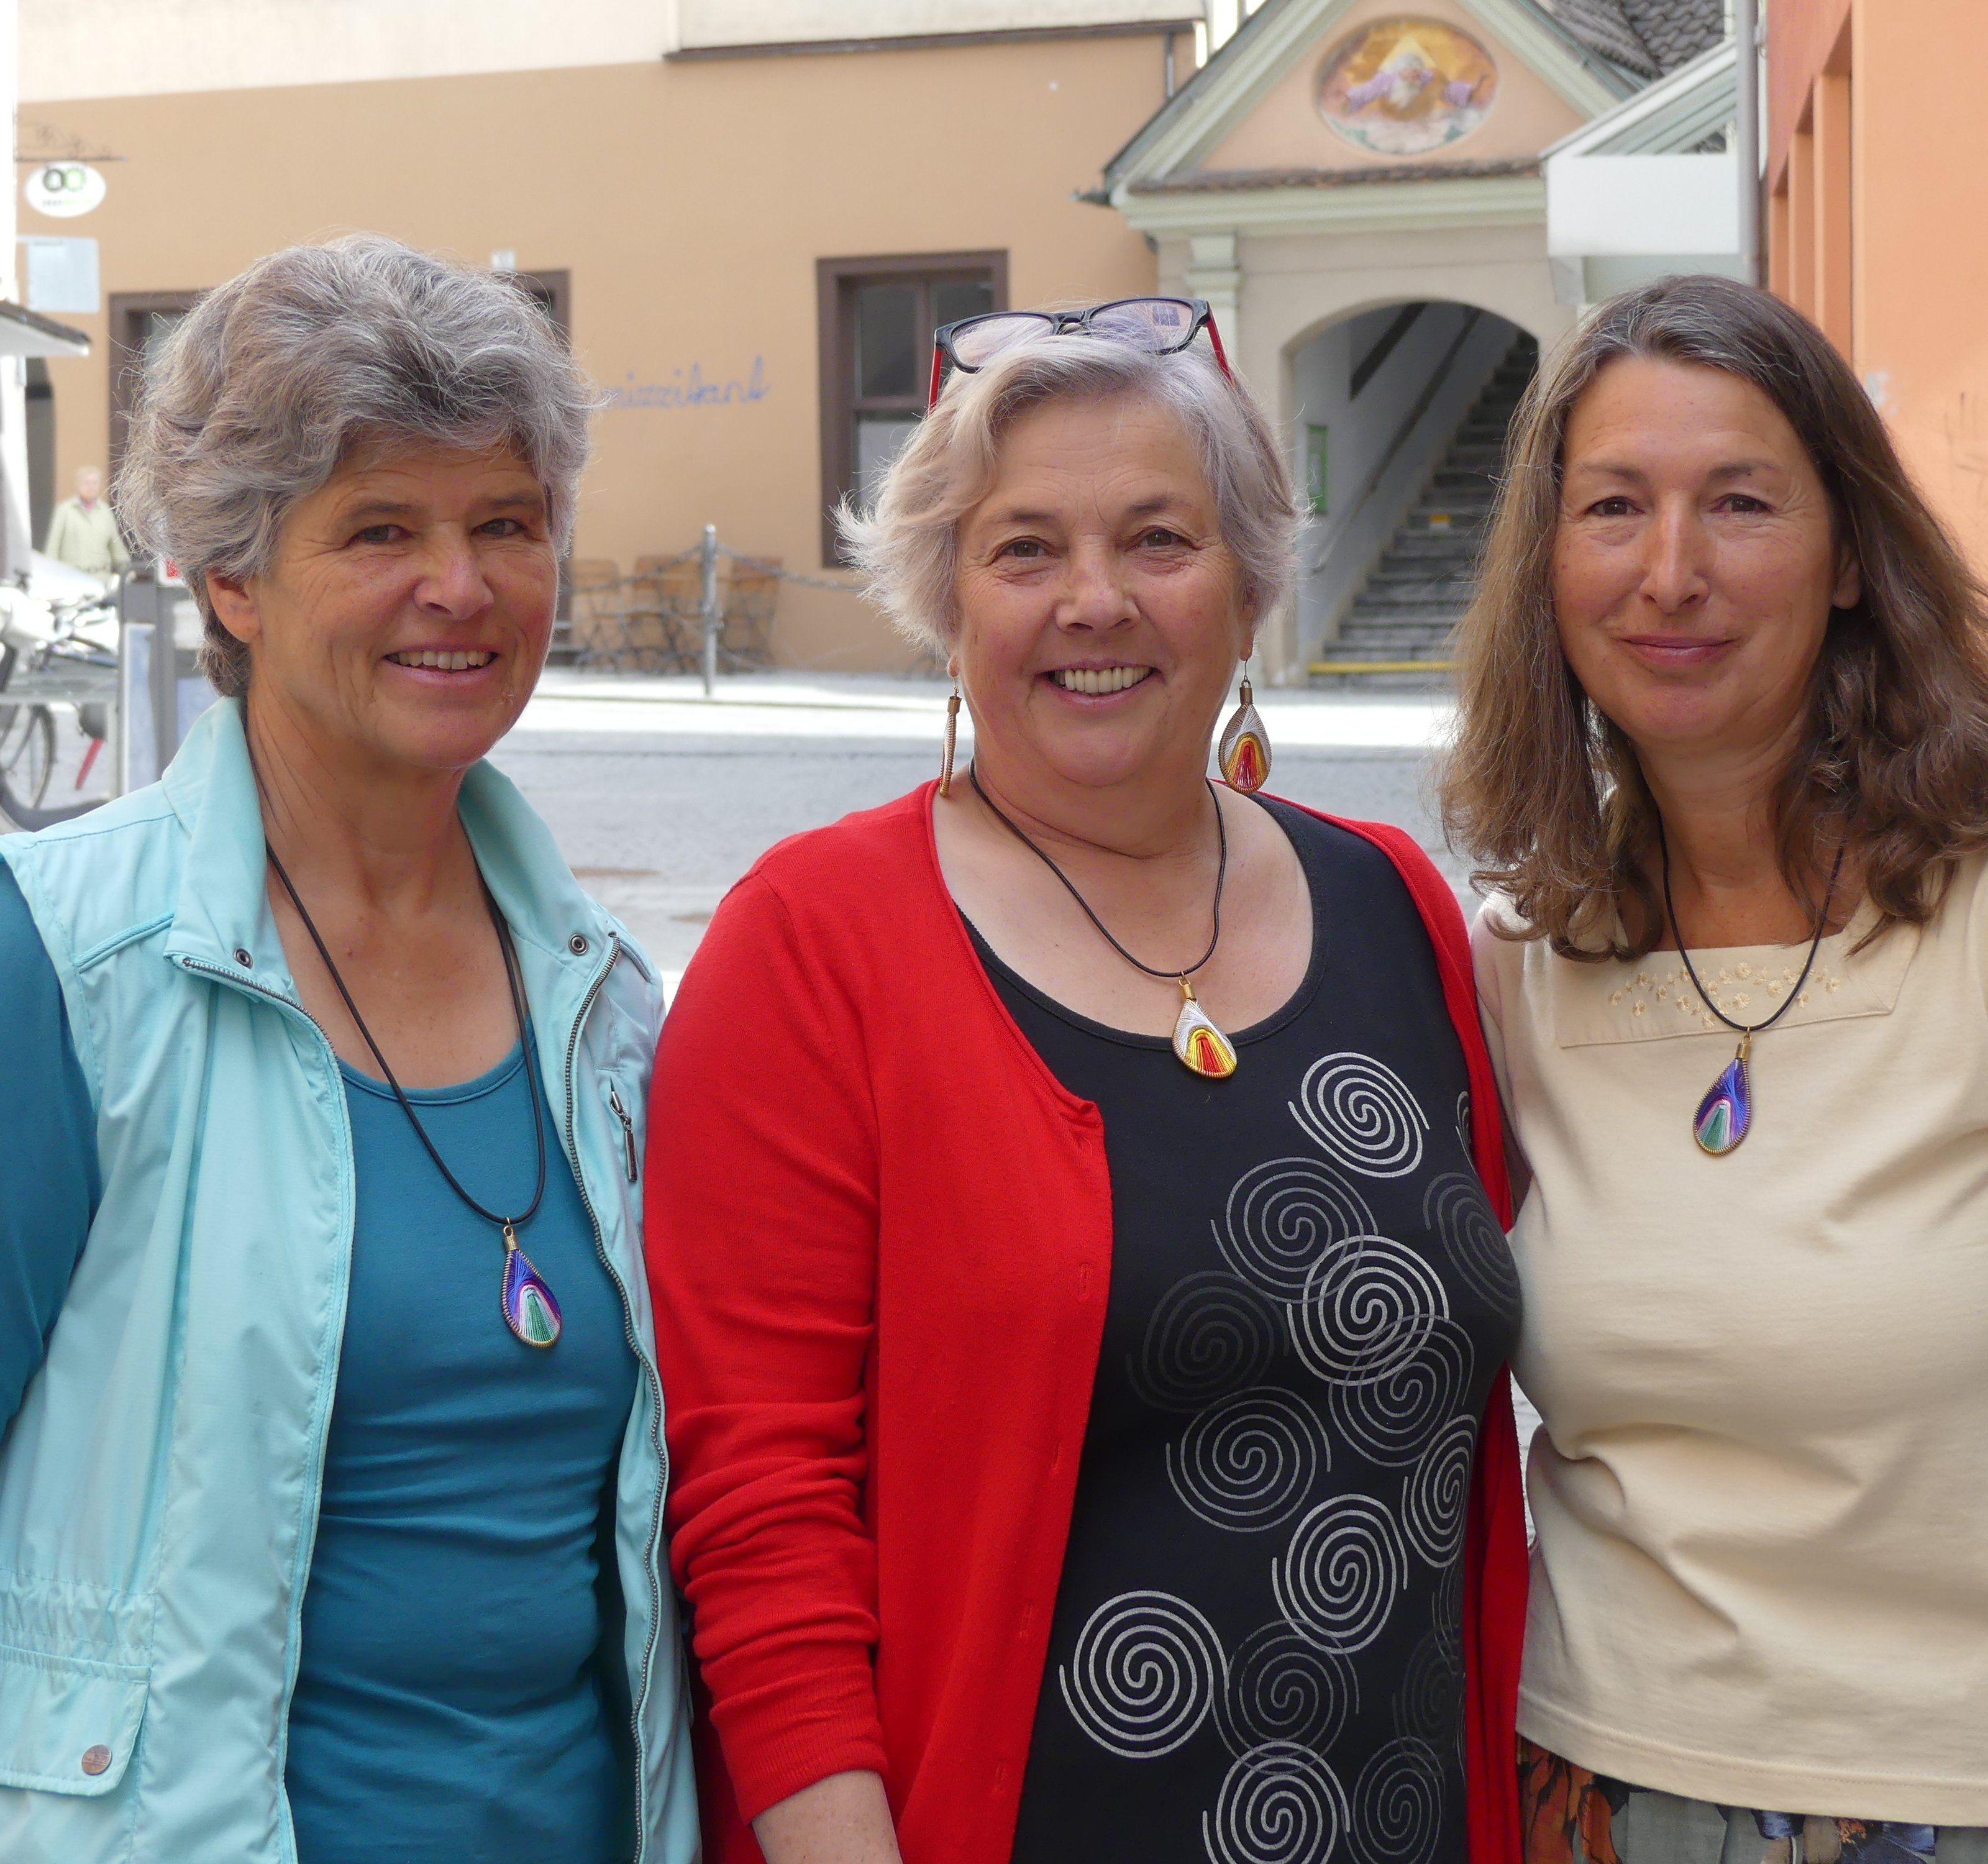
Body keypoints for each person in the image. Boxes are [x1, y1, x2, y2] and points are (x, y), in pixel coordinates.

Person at [647, 299, 1528, 1864]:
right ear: (946, 595)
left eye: (1158, 540)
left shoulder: (1398, 907)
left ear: (1251, 581)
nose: (1095, 600)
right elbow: (762, 1510)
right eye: (1026, 549)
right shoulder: (815, 942)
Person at [0, 236, 698, 1864]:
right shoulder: (64, 963)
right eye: (381, 529)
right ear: (231, 579)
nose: (459, 587)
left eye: (505, 527)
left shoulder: (606, 1001)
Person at [1444, 273, 1988, 1864]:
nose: (1668, 573)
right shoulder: (1520, 964)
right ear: (1548, 568)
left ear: (1845, 559)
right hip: (1603, 1788)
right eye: (1613, 507)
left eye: (1738, 503)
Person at [40, 464, 129, 578]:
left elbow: (116, 546)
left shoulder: (105, 511)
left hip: (101, 578)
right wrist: (49, 574)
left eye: (95, 483)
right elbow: (53, 546)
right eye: (87, 483)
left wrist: (127, 570)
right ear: (78, 485)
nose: (91, 487)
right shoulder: (65, 510)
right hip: (73, 578)